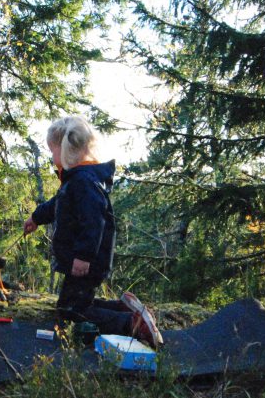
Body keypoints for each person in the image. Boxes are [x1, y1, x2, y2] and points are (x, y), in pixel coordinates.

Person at [23, 116, 163, 349]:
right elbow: (58, 204)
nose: (52, 157)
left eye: (52, 150)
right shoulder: (77, 179)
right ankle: (124, 309)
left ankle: (131, 324)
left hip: (86, 262)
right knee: (77, 302)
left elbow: (93, 221)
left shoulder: (83, 182)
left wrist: (83, 256)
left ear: (66, 150)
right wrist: (36, 218)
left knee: (70, 312)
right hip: (82, 261)